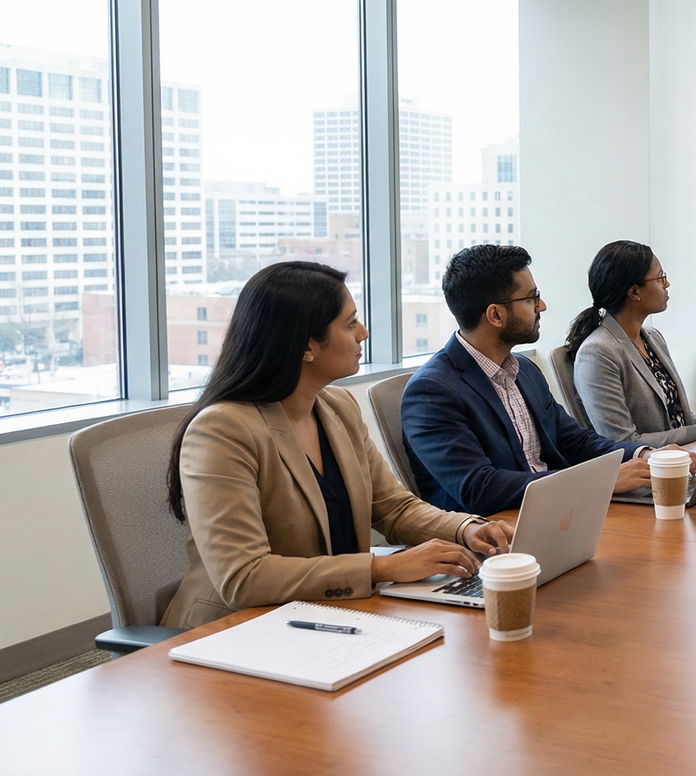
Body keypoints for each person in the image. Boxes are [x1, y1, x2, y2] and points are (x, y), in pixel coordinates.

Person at [161, 262, 514, 628]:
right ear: (306, 347)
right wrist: (381, 567)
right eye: (349, 324)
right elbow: (245, 577)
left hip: (325, 617)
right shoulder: (223, 430)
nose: (363, 332)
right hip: (234, 631)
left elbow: (393, 508)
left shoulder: (337, 406)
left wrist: (467, 528)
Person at [402, 245, 696, 516]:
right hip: (497, 532)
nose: (542, 306)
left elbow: (575, 441)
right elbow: (480, 488)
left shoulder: (524, 370)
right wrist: (598, 480)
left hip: (560, 511)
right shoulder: (432, 392)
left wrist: (645, 454)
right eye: (531, 298)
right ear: (495, 315)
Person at [567, 240, 696, 446]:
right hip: (646, 469)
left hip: (681, 458)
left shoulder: (653, 337)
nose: (667, 284)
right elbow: (622, 441)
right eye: (661, 278)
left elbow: (680, 419)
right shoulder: (597, 353)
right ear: (634, 292)